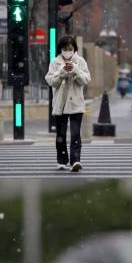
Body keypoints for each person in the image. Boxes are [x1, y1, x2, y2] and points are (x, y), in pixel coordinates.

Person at [45, 35, 91, 172]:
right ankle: (62, 160)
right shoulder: (55, 62)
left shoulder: (81, 61)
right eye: (65, 49)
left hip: (76, 104)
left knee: (75, 133)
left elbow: (86, 80)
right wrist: (62, 73)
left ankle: (75, 160)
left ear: (74, 49)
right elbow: (51, 81)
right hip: (60, 104)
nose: (67, 52)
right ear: (61, 49)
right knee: (61, 134)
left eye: (70, 49)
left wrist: (76, 71)